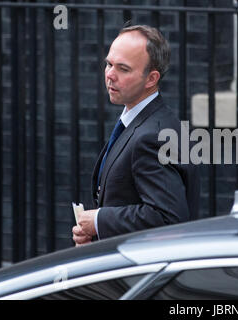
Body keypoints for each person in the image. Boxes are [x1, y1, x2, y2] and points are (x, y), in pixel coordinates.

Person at [72, 25, 200, 245]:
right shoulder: (144, 121)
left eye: (123, 68)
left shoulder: (153, 136)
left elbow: (168, 218)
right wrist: (96, 234)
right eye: (109, 64)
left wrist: (100, 221)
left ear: (151, 79)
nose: (110, 75)